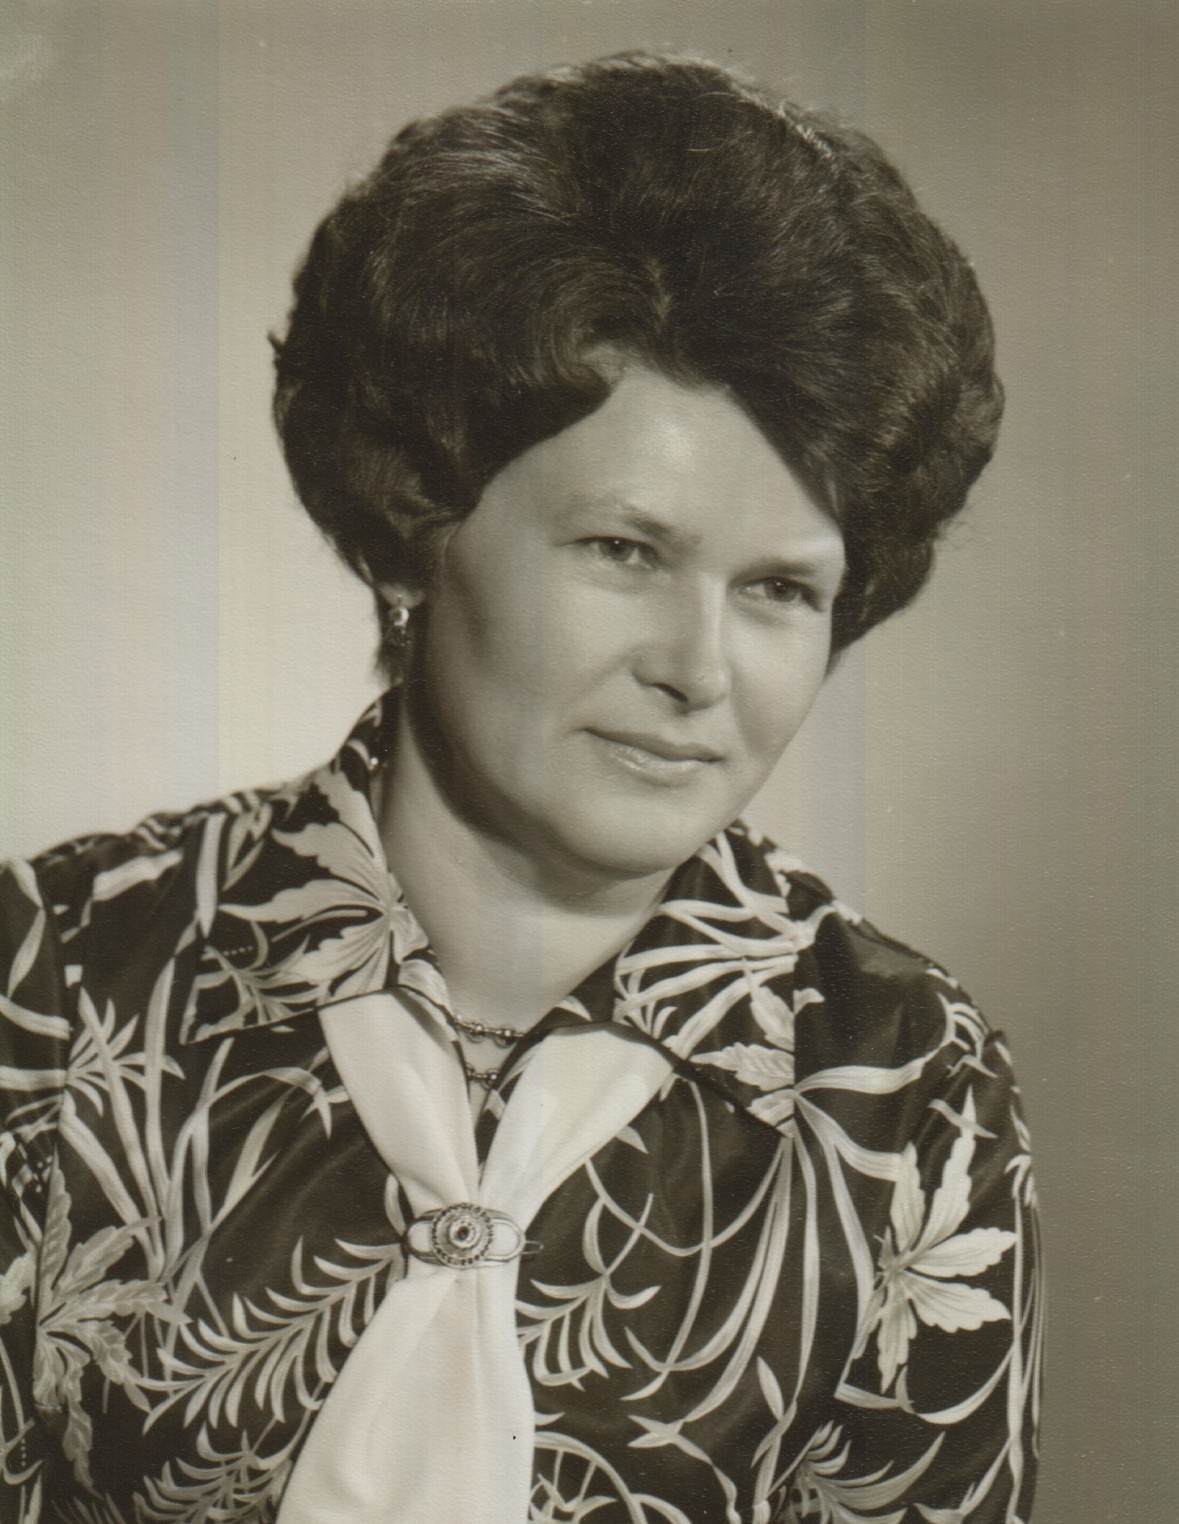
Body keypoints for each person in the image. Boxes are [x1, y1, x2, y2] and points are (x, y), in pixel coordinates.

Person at [0, 52, 1041, 1524]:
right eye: (625, 550)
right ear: (413, 526)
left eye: (779, 591)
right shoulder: (52, 978)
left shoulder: (906, 1084)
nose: (699, 669)